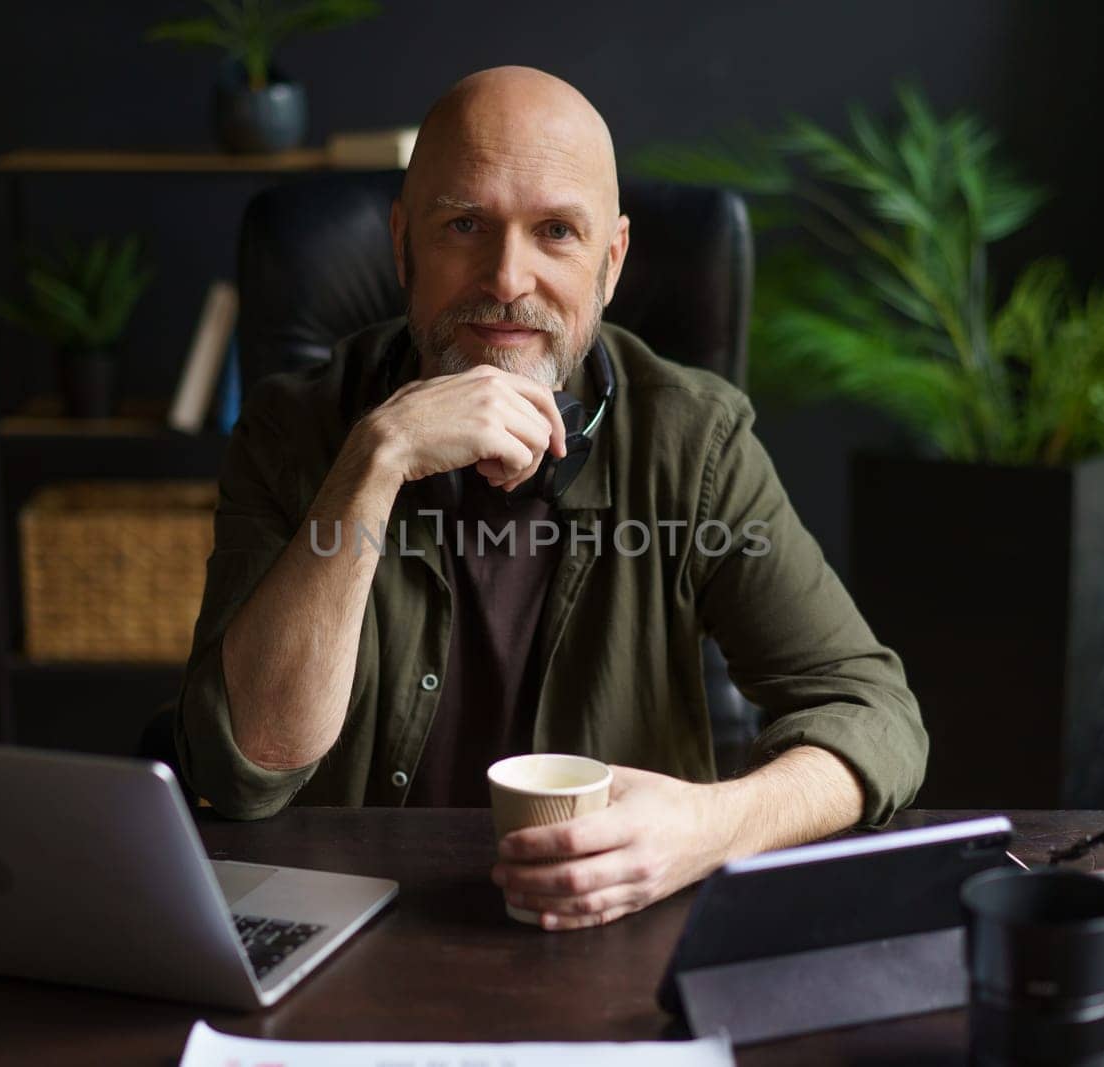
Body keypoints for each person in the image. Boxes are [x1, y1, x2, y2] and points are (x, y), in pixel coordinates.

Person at [176, 65, 927, 930]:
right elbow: (244, 763)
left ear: (611, 262)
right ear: (402, 246)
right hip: (347, 932)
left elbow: (876, 715)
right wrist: (372, 465)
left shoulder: (695, 440)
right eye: (464, 225)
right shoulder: (293, 429)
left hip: (614, 935)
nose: (505, 278)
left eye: (557, 232)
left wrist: (711, 825)